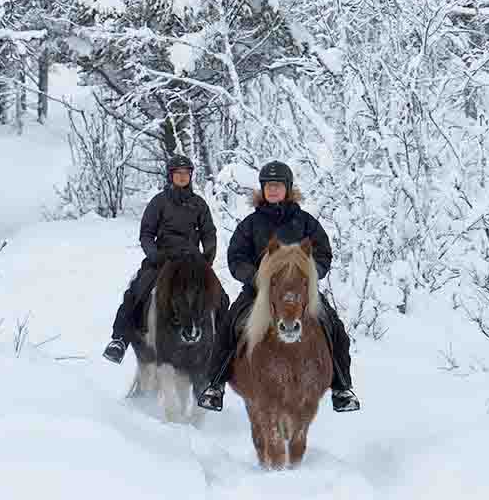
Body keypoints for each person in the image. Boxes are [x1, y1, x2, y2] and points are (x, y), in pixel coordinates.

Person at [195, 159, 360, 413]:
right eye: (268, 186)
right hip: (259, 292)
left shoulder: (305, 222)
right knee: (230, 325)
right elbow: (236, 257)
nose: (272, 190)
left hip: (300, 293)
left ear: (288, 188)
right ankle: (215, 386)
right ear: (262, 189)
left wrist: (309, 275)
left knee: (333, 326)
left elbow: (323, 253)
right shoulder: (250, 224)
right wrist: (255, 277)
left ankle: (342, 389)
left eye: (278, 185)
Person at [103, 153, 219, 363]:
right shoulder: (159, 202)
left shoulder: (199, 204)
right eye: (178, 173)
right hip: (163, 259)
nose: (182, 177)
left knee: (220, 296)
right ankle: (119, 340)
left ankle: (223, 345)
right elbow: (146, 234)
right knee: (137, 291)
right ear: (170, 176)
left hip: (192, 262)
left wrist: (207, 258)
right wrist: (154, 255)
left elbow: (209, 232)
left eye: (186, 173)